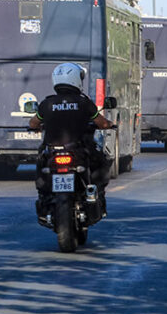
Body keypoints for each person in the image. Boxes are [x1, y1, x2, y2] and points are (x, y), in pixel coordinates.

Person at [28, 62, 116, 219]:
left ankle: (44, 199)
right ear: (76, 79)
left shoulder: (47, 104)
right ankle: (96, 196)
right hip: (80, 150)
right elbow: (102, 123)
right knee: (102, 162)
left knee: (40, 164)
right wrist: (110, 124)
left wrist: (39, 127)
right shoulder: (84, 103)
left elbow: (33, 123)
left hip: (53, 152)